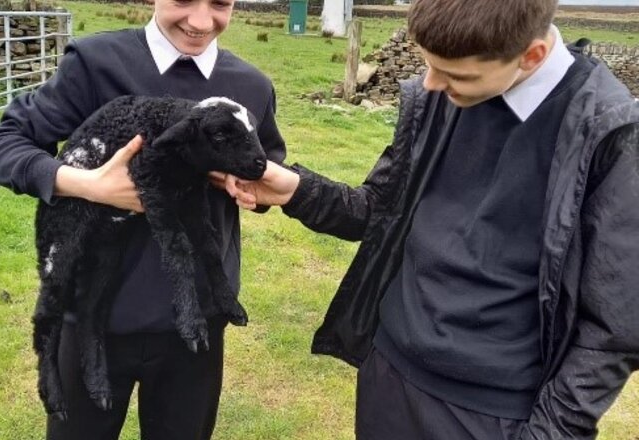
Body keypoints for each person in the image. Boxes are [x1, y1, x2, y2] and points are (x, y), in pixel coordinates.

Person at [217, 0, 639, 438]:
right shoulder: (436, 98)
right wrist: (295, 190)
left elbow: (614, 327)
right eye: (427, 65)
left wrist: (552, 432)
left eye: (456, 75)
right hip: (388, 371)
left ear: (530, 56)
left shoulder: (609, 131)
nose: (431, 84)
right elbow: (379, 209)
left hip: (494, 410)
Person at [0, 0, 285, 438]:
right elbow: (3, 145)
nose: (200, 21)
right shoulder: (95, 64)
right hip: (93, 319)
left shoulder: (250, 86)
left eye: (220, 3)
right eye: (183, 0)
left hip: (194, 325)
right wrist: (88, 184)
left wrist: (253, 188)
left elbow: (268, 171)